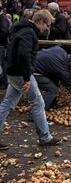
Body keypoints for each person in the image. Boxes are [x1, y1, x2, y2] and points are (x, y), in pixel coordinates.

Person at [0, 10, 62, 150]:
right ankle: (45, 137)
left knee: (7, 103)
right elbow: (23, 55)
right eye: (47, 25)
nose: (47, 28)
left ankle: (45, 137)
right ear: (40, 22)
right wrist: (27, 77)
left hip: (14, 72)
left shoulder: (23, 29)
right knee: (38, 102)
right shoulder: (29, 33)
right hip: (20, 74)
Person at [34, 46, 71, 110]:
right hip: (32, 72)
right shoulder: (62, 69)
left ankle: (52, 104)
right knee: (53, 89)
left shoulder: (60, 50)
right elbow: (70, 86)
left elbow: (51, 65)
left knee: (55, 81)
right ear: (70, 63)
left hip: (36, 64)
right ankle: (37, 113)